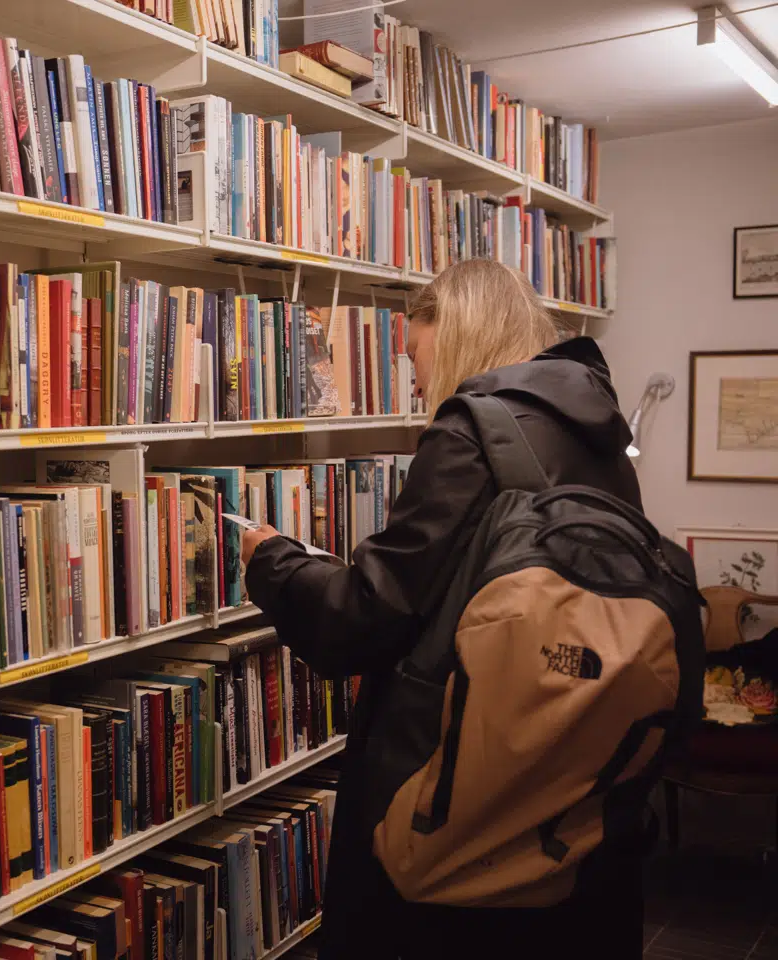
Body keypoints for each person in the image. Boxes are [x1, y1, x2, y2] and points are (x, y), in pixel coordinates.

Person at [240, 259, 647, 959]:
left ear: (458, 337)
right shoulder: (600, 433)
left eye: (414, 355)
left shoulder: (471, 434)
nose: (414, 378)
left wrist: (273, 561)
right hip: (572, 770)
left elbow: (367, 616)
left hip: (457, 777)